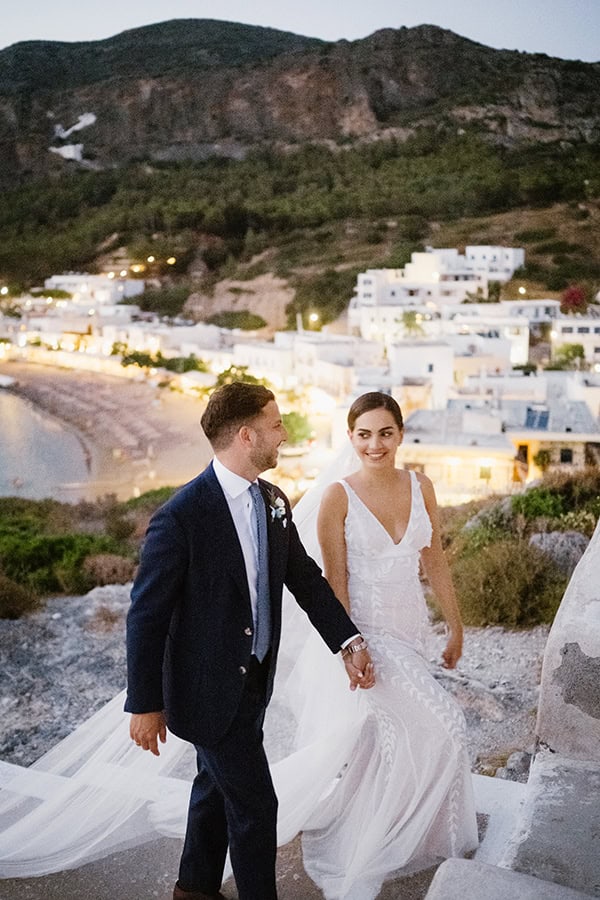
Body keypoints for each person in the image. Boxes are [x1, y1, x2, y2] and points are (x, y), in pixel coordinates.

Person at [125, 381, 375, 900]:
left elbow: (303, 577)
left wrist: (348, 642)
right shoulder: (180, 518)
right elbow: (146, 617)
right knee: (257, 806)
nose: (284, 434)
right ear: (246, 435)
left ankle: (193, 888)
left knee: (214, 790)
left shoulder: (273, 501)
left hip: (252, 682)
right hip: (203, 688)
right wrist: (145, 704)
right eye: (276, 424)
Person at [269, 391, 479, 899]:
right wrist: (350, 647)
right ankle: (382, 843)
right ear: (351, 438)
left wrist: (455, 626)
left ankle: (407, 832)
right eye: (364, 434)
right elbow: (334, 582)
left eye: (385, 432)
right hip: (369, 637)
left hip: (413, 635)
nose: (375, 444)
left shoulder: (421, 486)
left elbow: (436, 561)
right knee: (445, 724)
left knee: (381, 744)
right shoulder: (338, 496)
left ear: (401, 434)